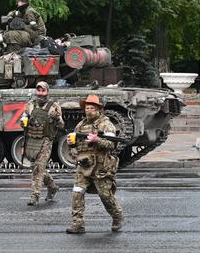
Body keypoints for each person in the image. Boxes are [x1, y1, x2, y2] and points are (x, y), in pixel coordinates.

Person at [66, 95, 123, 234]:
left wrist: (97, 139)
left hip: (101, 166)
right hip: (84, 165)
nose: (89, 110)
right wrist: (72, 144)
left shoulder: (106, 124)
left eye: (92, 108)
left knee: (105, 196)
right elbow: (76, 146)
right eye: (87, 108)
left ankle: (117, 216)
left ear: (98, 109)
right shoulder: (81, 125)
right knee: (77, 193)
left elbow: (112, 145)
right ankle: (77, 224)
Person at [20, 81, 63, 206]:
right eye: (38, 90)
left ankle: (35, 195)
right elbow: (23, 119)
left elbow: (61, 125)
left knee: (38, 168)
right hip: (31, 139)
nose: (40, 93)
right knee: (36, 167)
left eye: (43, 90)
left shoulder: (54, 106)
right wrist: (23, 122)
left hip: (45, 140)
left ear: (47, 92)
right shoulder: (30, 105)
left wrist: (56, 118)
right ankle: (53, 186)